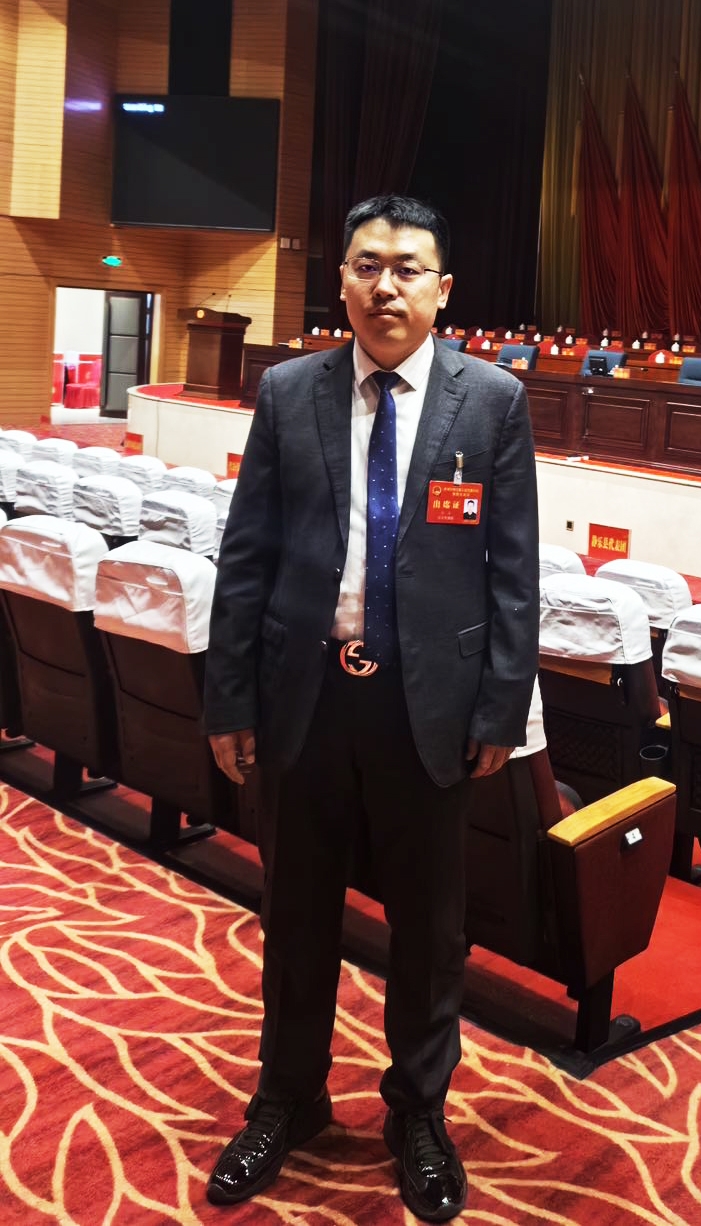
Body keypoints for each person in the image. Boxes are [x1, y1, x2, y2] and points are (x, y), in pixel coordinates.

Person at [203, 194, 539, 1222]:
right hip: (304, 699)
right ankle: (289, 1098)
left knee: (430, 930)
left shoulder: (491, 401)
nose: (385, 285)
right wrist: (229, 695)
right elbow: (247, 555)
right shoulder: (288, 390)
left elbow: (513, 573)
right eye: (366, 265)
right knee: (296, 914)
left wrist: (499, 709)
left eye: (407, 268)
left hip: (427, 708)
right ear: (341, 280)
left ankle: (418, 1112)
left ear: (444, 289)